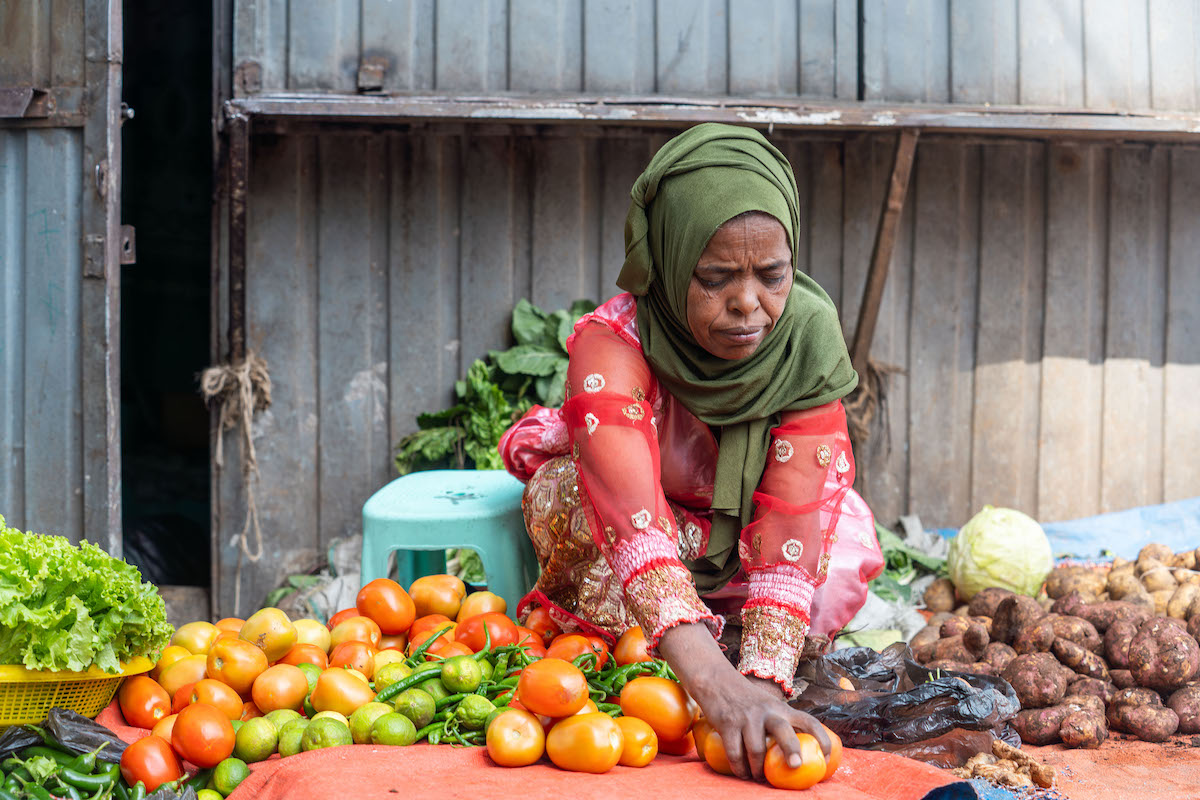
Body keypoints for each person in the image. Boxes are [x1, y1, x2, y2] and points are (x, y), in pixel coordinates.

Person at [498, 122, 884, 780]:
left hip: (753, 534)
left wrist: (762, 679)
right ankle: (672, 644)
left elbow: (796, 506)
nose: (747, 305)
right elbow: (629, 509)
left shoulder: (807, 335)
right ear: (672, 261)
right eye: (714, 278)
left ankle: (742, 640)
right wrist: (712, 682)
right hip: (654, 522)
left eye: (772, 275)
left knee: (842, 534)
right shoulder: (615, 339)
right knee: (564, 496)